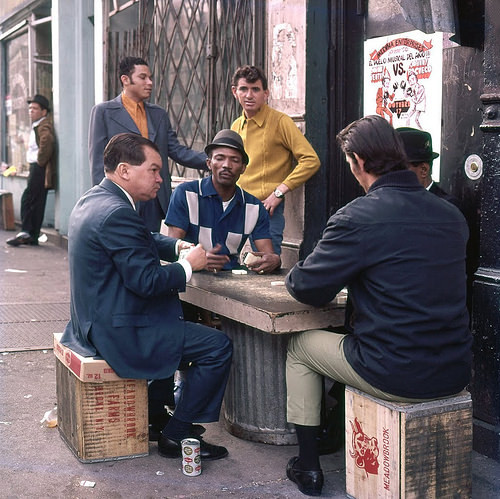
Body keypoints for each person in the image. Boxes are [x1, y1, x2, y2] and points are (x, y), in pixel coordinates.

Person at [283, 115, 472, 496]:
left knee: (301, 348)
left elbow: (306, 288)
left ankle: (308, 465)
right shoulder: (451, 215)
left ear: (358, 162)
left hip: (396, 372)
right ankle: (334, 430)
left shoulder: (356, 217)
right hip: (454, 369)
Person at [61, 133, 232, 461]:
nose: (160, 178)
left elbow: (140, 238)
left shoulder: (96, 199)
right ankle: (177, 432)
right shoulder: (117, 212)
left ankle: (155, 415)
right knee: (217, 346)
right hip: (118, 331)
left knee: (178, 318)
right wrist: (187, 265)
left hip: (94, 320)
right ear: (125, 170)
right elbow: (146, 280)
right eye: (154, 170)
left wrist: (176, 245)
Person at [89, 56, 207, 232]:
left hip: (154, 195)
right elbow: (99, 161)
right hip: (123, 195)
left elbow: (176, 151)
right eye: (143, 77)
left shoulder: (158, 114)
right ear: (125, 80)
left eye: (150, 77)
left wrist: (212, 161)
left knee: (150, 247)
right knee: (123, 248)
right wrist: (104, 200)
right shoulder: (103, 112)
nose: (150, 82)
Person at [230, 65, 320, 254]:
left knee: (267, 264)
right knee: (225, 261)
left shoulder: (280, 122)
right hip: (237, 205)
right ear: (234, 92)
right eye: (243, 89)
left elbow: (310, 160)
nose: (249, 95)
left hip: (266, 208)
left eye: (255, 89)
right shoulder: (236, 126)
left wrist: (278, 193)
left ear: (266, 93)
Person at [166, 129, 281, 274]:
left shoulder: (254, 207)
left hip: (232, 280)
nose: (226, 165)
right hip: (191, 277)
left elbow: (267, 254)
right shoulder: (185, 194)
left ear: (243, 168)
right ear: (209, 163)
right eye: (220, 158)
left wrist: (274, 260)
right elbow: (171, 248)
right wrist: (197, 259)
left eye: (235, 160)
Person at [7, 94, 56, 247]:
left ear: (44, 112)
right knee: (37, 202)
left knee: (28, 199)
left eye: (35, 108)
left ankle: (26, 232)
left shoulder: (44, 125)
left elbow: (47, 141)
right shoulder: (38, 125)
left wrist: (40, 162)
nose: (31, 111)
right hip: (37, 167)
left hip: (38, 168)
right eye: (29, 108)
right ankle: (32, 236)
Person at [397, 126, 461, 209]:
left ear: (424, 170)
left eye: (399, 169)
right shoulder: (393, 203)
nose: (391, 175)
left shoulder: (447, 207)